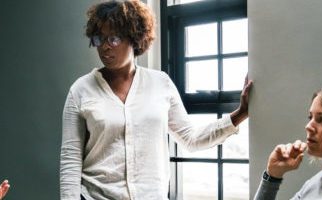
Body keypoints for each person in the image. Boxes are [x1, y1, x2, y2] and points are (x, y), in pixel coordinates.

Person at [59, 1, 252, 199]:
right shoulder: (81, 90)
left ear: (134, 38)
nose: (105, 47)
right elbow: (70, 161)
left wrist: (240, 114)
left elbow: (192, 139)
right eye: (99, 38)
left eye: (114, 38)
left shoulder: (161, 84)